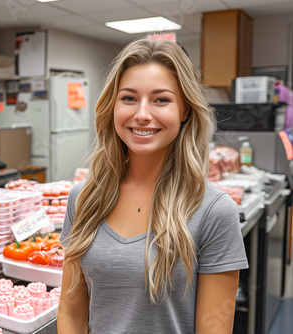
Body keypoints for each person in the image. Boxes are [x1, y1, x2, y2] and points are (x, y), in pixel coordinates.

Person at [57, 38, 248, 333]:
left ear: (185, 110)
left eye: (161, 99)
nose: (142, 114)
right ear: (112, 106)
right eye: (129, 98)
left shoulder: (214, 211)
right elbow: (71, 312)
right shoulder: (84, 198)